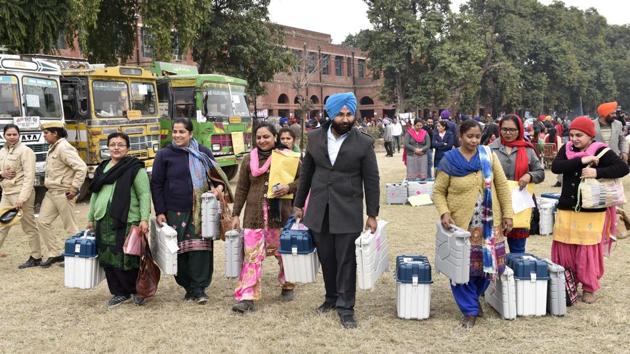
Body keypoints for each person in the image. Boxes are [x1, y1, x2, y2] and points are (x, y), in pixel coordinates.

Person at [294, 92, 380, 329]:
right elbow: (306, 175)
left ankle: (346, 307)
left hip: (348, 208)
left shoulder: (364, 142)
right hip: (319, 208)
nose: (345, 119)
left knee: (346, 260)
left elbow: (371, 180)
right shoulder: (313, 138)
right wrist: (299, 204)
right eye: (340, 114)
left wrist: (372, 214)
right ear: (330, 114)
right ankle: (331, 298)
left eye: (349, 114)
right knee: (327, 258)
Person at [433, 119, 513, 328]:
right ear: (460, 136)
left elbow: (502, 187)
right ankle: (469, 310)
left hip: (489, 225)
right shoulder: (449, 160)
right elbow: (438, 191)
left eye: (478, 136)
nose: (474, 140)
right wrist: (444, 212)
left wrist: (508, 214)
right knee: (461, 269)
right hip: (461, 225)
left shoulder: (488, 156)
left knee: (488, 267)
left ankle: (474, 297)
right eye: (470, 136)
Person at [151, 118, 231, 304]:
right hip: (174, 211)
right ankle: (188, 286)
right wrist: (160, 210)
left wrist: (218, 190)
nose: (178, 135)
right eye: (175, 132)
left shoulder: (202, 152)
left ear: (191, 133)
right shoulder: (164, 155)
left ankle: (199, 288)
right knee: (179, 250)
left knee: (200, 250)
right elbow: (156, 184)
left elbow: (218, 178)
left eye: (182, 132)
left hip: (201, 210)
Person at [551, 116, 629, 304]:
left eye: (579, 135)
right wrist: (581, 161)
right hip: (566, 208)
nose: (574, 139)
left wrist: (597, 172)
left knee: (587, 249)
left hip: (591, 210)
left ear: (590, 136)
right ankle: (567, 283)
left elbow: (623, 168)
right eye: (571, 135)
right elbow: (556, 167)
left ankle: (588, 287)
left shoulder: (601, 151)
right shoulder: (567, 149)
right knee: (564, 246)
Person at [231, 122, 300, 313]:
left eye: (266, 137)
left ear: (275, 137)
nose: (262, 140)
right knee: (251, 256)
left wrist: (289, 188)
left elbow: (303, 179)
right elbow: (242, 189)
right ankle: (247, 297)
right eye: (259, 137)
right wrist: (236, 213)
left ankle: (288, 284)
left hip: (280, 216)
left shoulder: (287, 157)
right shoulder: (248, 160)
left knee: (283, 254)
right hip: (254, 217)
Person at [86, 133, 151, 309]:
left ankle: (136, 290)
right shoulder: (102, 168)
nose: (116, 148)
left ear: (127, 148)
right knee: (107, 257)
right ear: (108, 147)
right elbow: (95, 193)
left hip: (127, 219)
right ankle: (119, 292)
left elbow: (144, 194)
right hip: (103, 219)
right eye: (113, 144)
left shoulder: (134, 168)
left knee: (128, 257)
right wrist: (91, 217)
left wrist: (144, 218)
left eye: (121, 145)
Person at [489, 114, 545, 253]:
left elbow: (540, 172)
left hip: (519, 205)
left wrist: (529, 175)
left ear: (519, 130)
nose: (508, 133)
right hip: (495, 203)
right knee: (494, 248)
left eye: (512, 130)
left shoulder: (527, 149)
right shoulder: (489, 149)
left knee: (518, 249)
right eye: (504, 129)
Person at [37, 122, 87, 268]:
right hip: (52, 192)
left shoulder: (64, 148)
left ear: (55, 133)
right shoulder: (54, 147)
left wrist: (74, 187)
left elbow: (81, 168)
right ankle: (54, 253)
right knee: (42, 222)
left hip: (64, 193)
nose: (44, 135)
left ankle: (76, 255)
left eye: (46, 132)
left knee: (70, 227)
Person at [0, 124, 39, 266]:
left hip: (21, 195)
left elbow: (30, 177)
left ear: (19, 135)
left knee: (28, 227)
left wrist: (22, 198)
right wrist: (1, 174)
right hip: (6, 193)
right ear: (4, 135)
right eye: (9, 134)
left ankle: (36, 257)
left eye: (14, 134)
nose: (12, 137)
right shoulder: (2, 152)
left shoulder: (26, 151)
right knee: (2, 224)